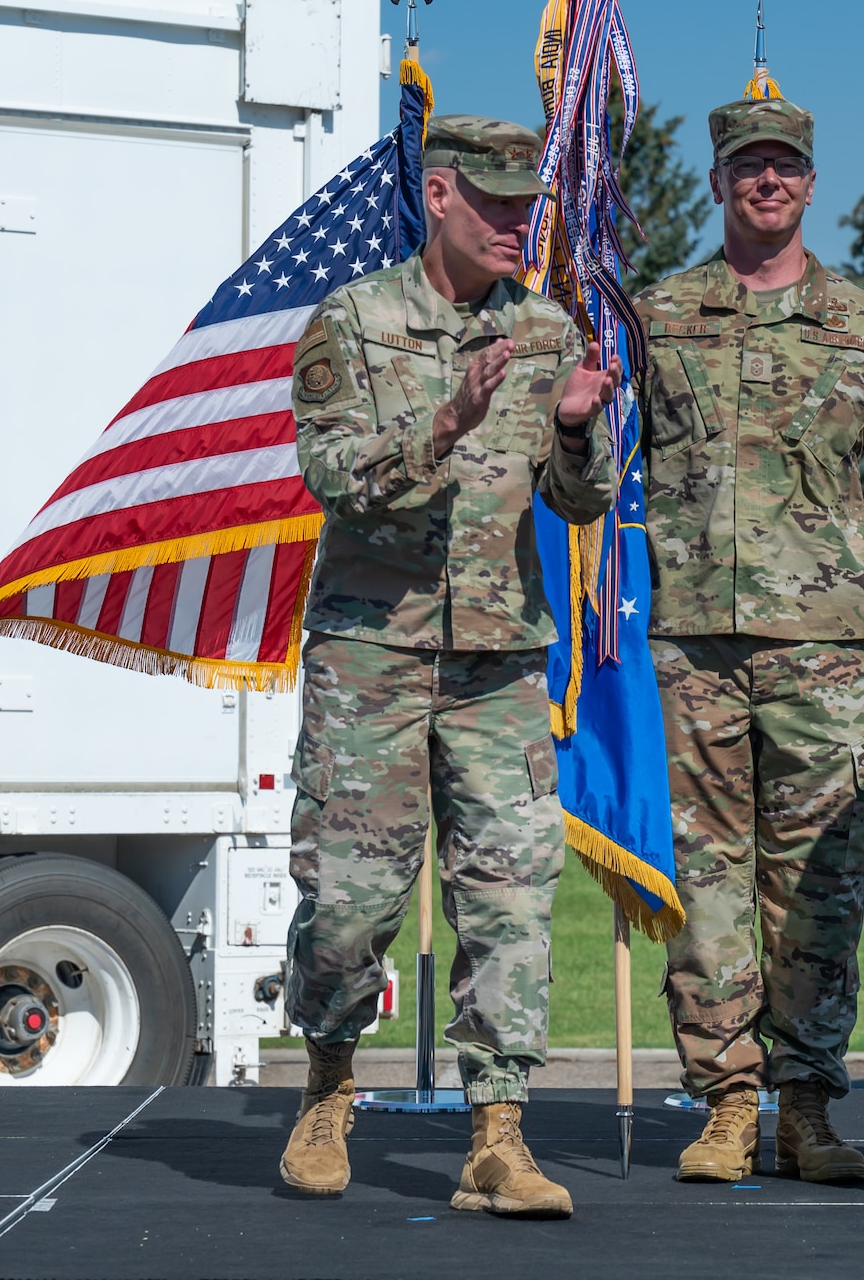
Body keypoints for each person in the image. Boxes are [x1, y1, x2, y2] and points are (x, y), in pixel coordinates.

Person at [279, 115, 620, 1219]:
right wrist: (447, 418)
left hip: (499, 660)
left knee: (510, 899)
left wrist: (574, 431)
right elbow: (335, 475)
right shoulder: (354, 321)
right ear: (437, 195)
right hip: (372, 652)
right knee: (345, 903)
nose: (518, 222)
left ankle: (498, 1132)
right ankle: (329, 1086)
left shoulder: (549, 330)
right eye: (495, 202)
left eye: (529, 204)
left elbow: (584, 501)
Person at [632, 95, 864, 1185]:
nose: (766, 182)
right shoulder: (656, 315)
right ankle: (724, 1100)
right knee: (704, 883)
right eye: (746, 166)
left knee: (818, 887)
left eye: (785, 168)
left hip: (826, 653)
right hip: (688, 646)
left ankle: (807, 1102)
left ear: (813, 185)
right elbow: (596, 474)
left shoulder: (863, 326)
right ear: (717, 183)